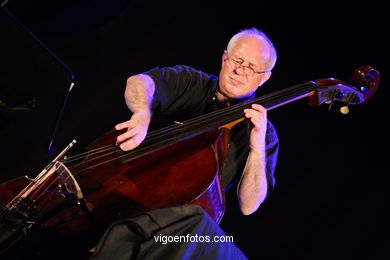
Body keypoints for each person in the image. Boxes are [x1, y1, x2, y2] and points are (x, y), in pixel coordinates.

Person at [114, 28, 279, 216]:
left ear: (264, 77)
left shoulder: (264, 134)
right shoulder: (193, 82)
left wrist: (256, 149)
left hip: (173, 220)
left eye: (250, 67)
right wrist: (142, 112)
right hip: (128, 184)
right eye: (237, 60)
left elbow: (249, 206)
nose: (239, 71)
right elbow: (139, 82)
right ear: (224, 58)